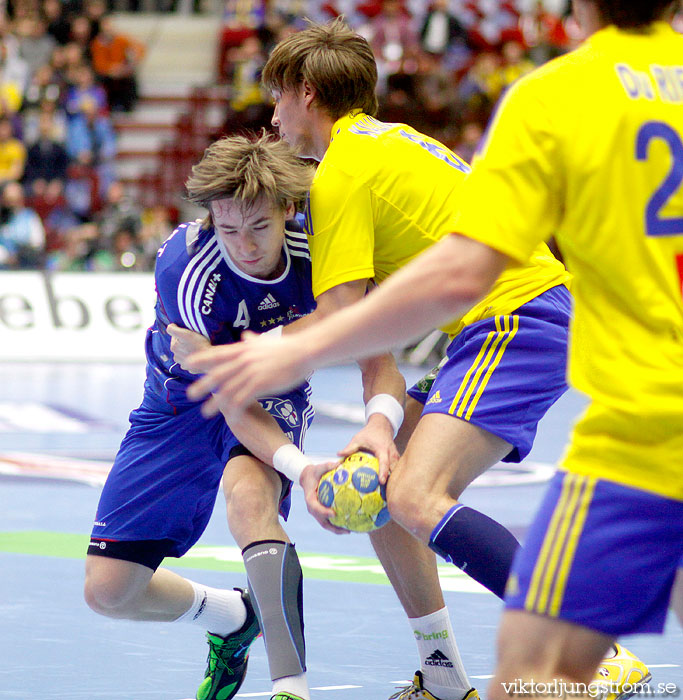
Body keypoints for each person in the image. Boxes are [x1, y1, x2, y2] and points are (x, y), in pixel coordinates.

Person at [186, 2, 683, 697]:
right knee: (385, 498)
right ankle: (444, 677)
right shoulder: (385, 143)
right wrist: (378, 426)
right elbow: (371, 330)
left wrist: (248, 351)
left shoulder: (339, 175)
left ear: (305, 91)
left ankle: (591, 654)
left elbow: (339, 317)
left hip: (514, 319)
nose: (270, 113)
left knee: (418, 494)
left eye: (276, 94)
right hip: (513, 320)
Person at [83, 132, 322, 700]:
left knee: (248, 500)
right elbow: (226, 401)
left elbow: (351, 324)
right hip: (181, 403)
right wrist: (301, 466)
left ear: (288, 209)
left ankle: (291, 686)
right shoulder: (187, 269)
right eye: (229, 228)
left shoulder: (321, 247)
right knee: (108, 591)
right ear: (212, 216)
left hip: (270, 391)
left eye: (260, 228)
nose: (244, 245)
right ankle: (233, 619)